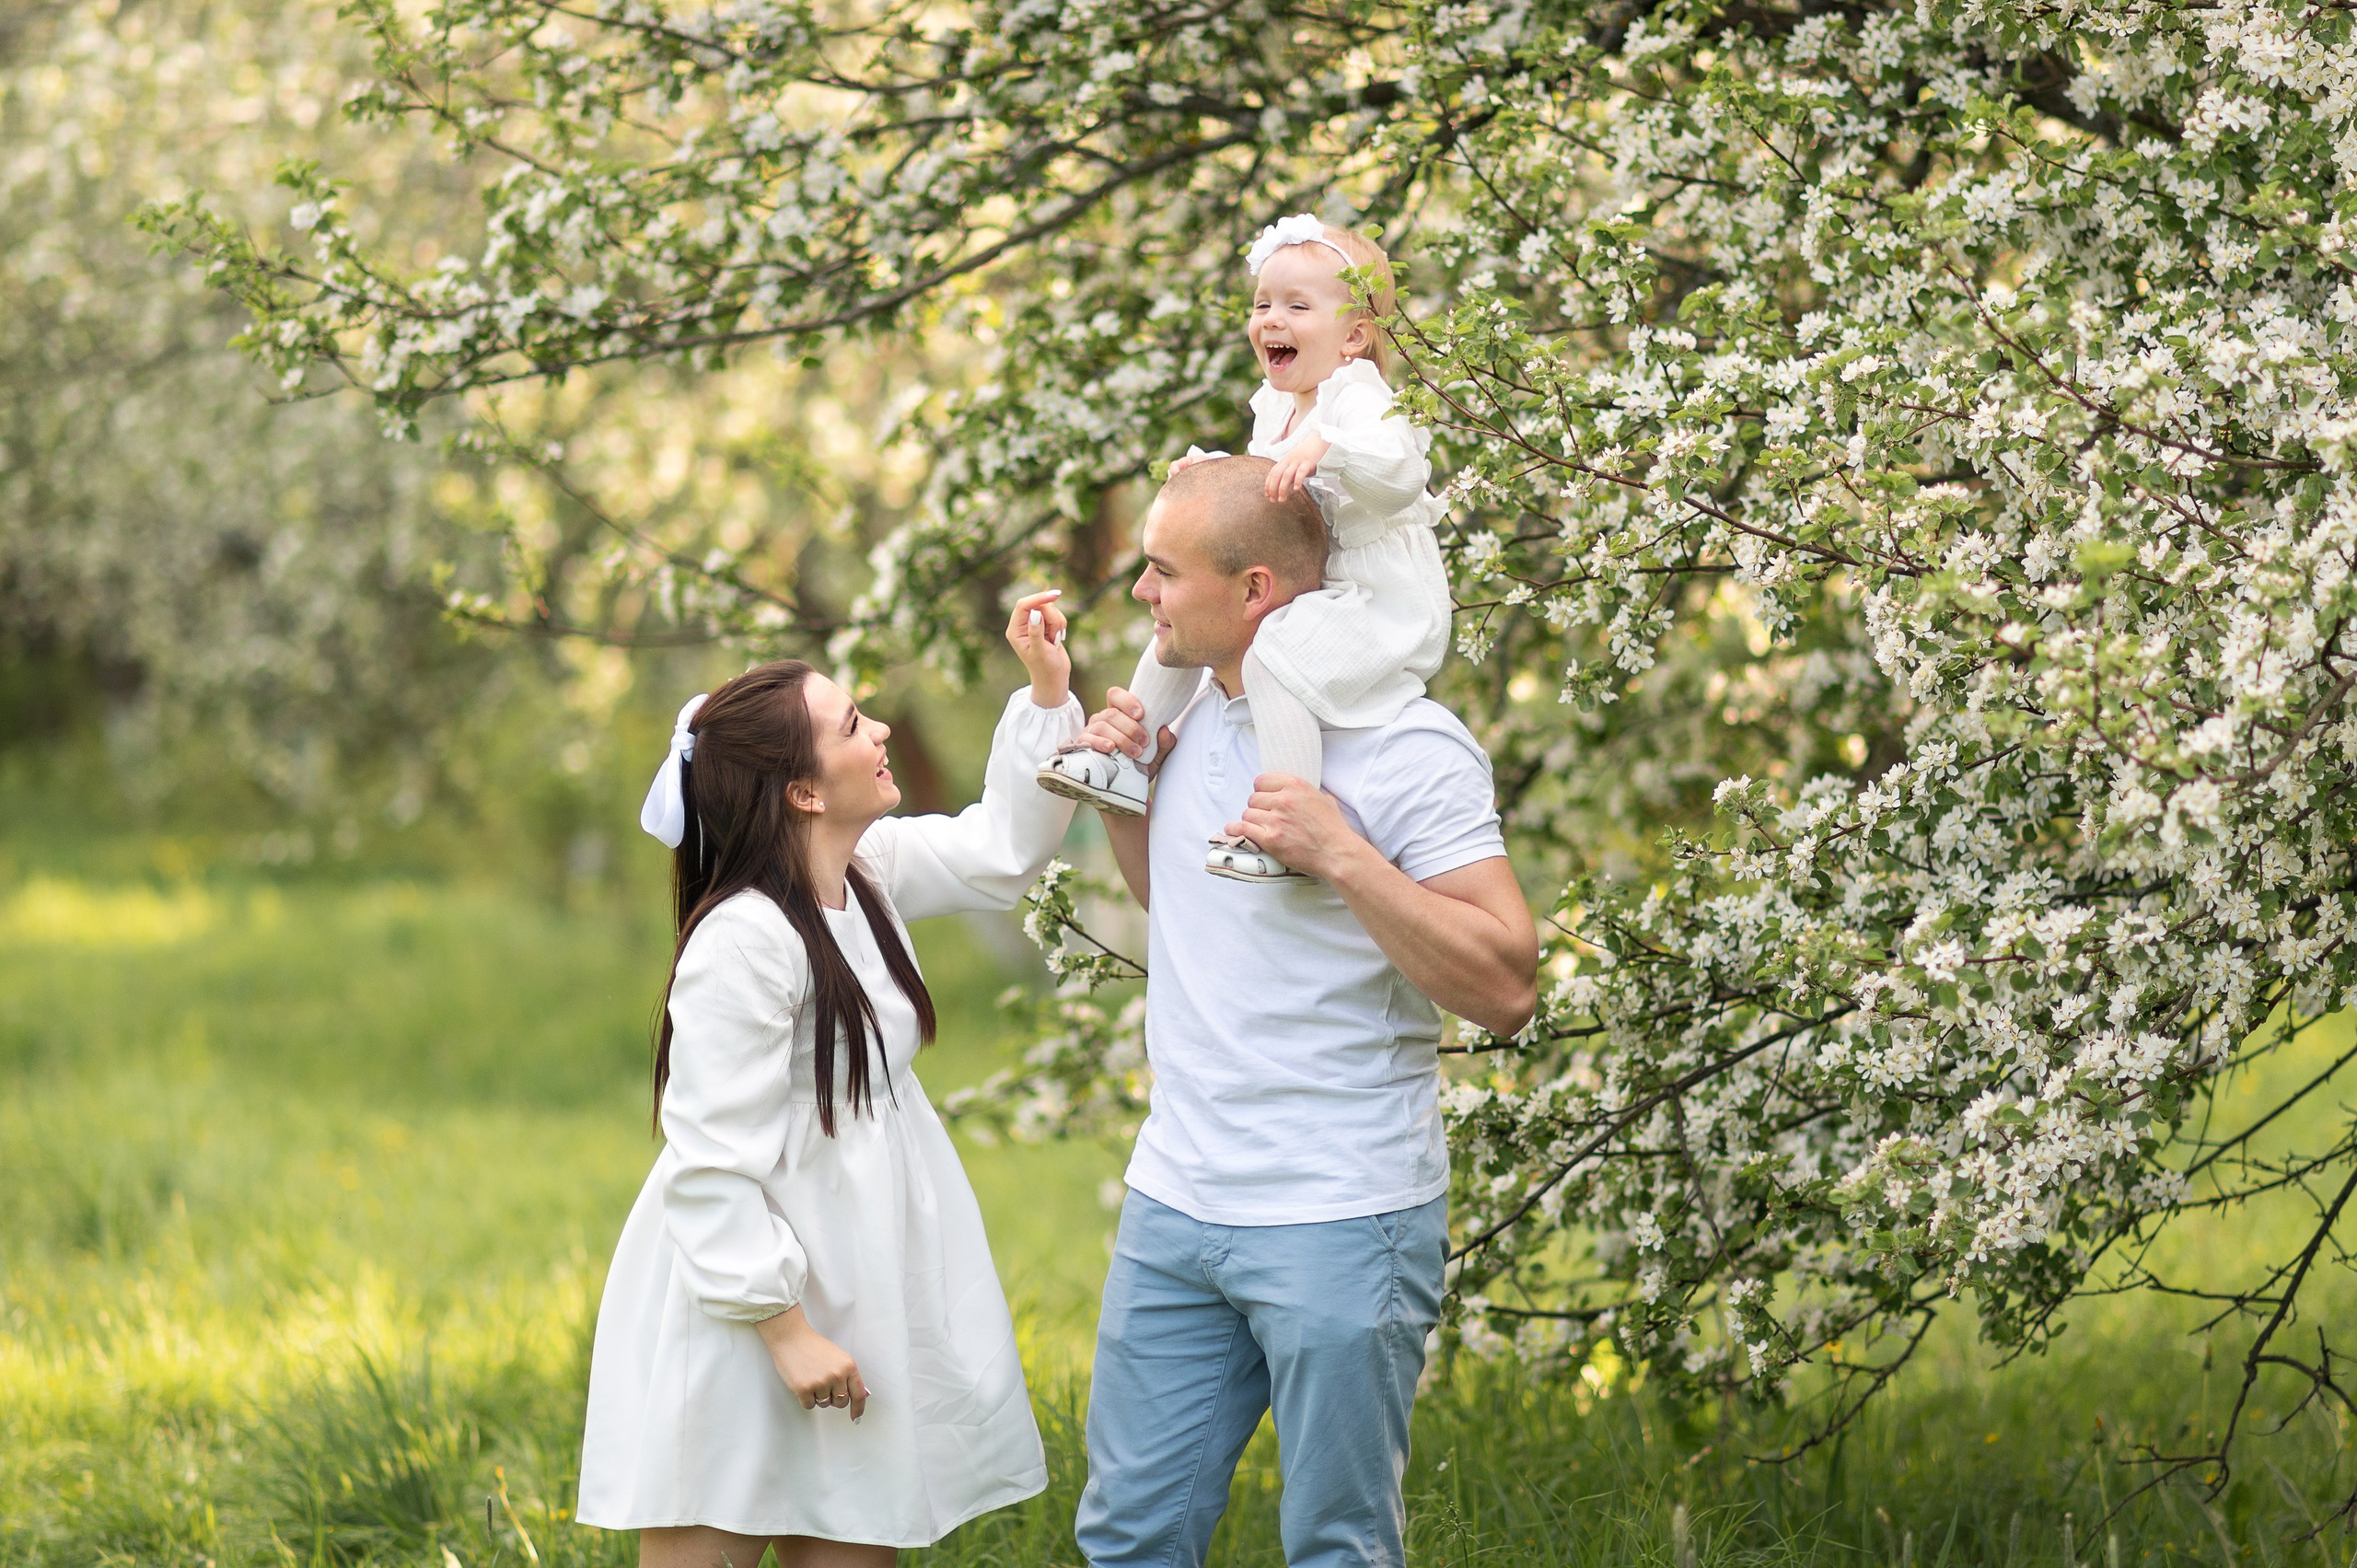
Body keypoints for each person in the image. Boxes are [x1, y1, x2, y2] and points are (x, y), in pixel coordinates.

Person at [1062, 456, 1539, 1568]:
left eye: (1162, 572)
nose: (1141, 595)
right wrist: (1130, 787)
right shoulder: (1202, 718)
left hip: (1341, 1212)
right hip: (1175, 1201)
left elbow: (1508, 985)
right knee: (1127, 1536)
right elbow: (1176, 902)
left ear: (1257, 592)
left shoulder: (1408, 744)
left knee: (1335, 1545)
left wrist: (1340, 852)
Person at [576, 591, 1084, 1568]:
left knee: (853, 1541)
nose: (883, 727)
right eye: (853, 723)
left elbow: (1002, 853)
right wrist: (784, 1327)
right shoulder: (745, 941)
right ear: (804, 790)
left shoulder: (868, 870)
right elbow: (709, 1161)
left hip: (859, 1275)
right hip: (750, 1298)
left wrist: (1046, 693)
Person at [1038, 215, 1452, 884]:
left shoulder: (1358, 399)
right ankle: (1126, 755)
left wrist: (1331, 448)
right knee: (1190, 617)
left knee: (1272, 654)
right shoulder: (1276, 403)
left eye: (1296, 305)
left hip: (1381, 603)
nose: (1271, 320)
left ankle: (1287, 819)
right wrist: (1211, 474)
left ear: (1353, 336)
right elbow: (1262, 481)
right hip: (1313, 586)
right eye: (1262, 304)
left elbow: (1400, 474)